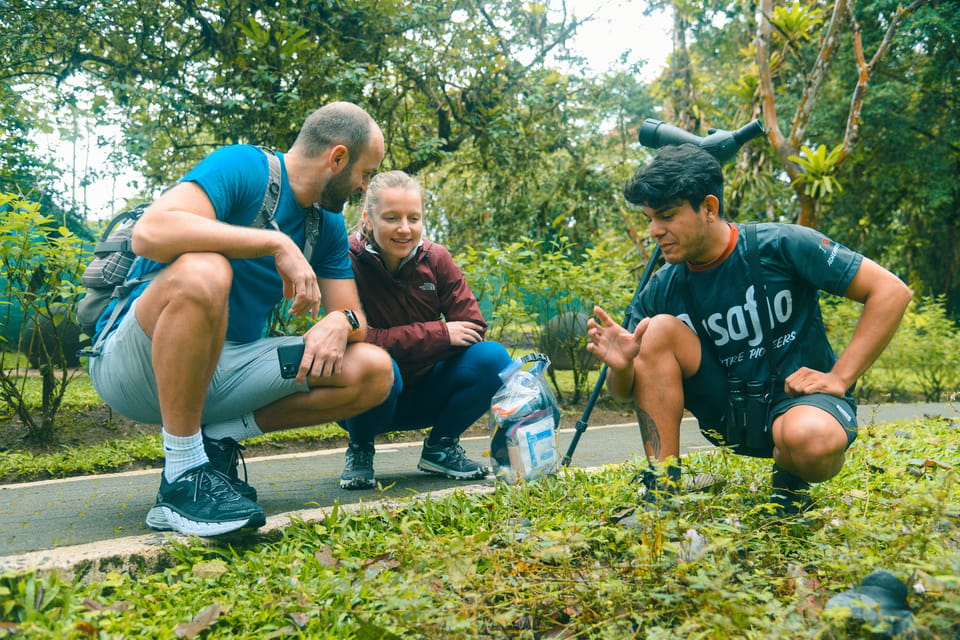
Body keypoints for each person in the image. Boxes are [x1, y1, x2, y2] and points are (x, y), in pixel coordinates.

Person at [87, 102, 396, 536]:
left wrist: (340, 321)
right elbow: (150, 233)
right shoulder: (245, 167)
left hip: (226, 372)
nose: (364, 187)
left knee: (373, 369)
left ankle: (213, 442)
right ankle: (181, 476)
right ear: (338, 158)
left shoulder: (324, 225)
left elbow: (355, 316)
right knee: (206, 271)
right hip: (135, 364)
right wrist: (273, 243)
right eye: (366, 173)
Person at [586, 144, 912, 515]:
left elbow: (891, 291)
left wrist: (840, 377)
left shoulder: (782, 245)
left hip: (800, 403)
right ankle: (662, 487)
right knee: (656, 329)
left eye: (666, 216)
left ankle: (790, 482)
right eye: (649, 218)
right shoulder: (662, 286)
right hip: (728, 416)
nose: (654, 231)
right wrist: (623, 365)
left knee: (810, 440)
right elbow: (623, 393)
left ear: (709, 208)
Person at [339, 170, 512, 489]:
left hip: (429, 391)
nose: (405, 229)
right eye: (391, 218)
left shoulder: (437, 258)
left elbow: (473, 326)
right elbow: (355, 339)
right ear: (367, 219)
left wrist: (393, 341)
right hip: (368, 398)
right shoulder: (345, 260)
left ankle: (441, 447)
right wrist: (441, 334)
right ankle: (360, 449)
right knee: (373, 361)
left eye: (413, 218)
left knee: (493, 358)